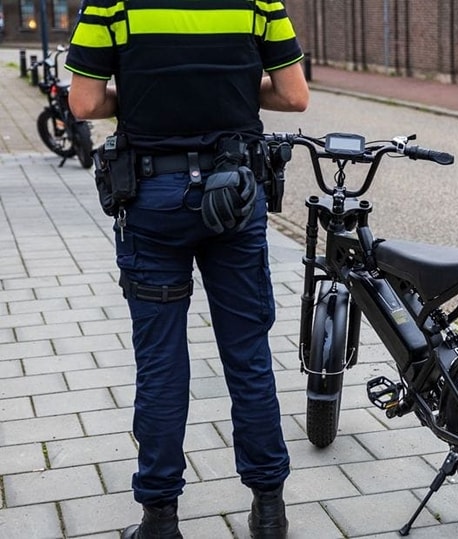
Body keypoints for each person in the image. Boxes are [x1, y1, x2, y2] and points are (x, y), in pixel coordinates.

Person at [64, 0, 309, 537]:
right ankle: (269, 512)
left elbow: (83, 103)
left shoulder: (110, 4)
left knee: (160, 364)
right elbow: (294, 95)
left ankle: (160, 518)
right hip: (234, 195)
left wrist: (150, 95)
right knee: (248, 355)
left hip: (152, 198)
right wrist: (232, 93)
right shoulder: (260, 3)